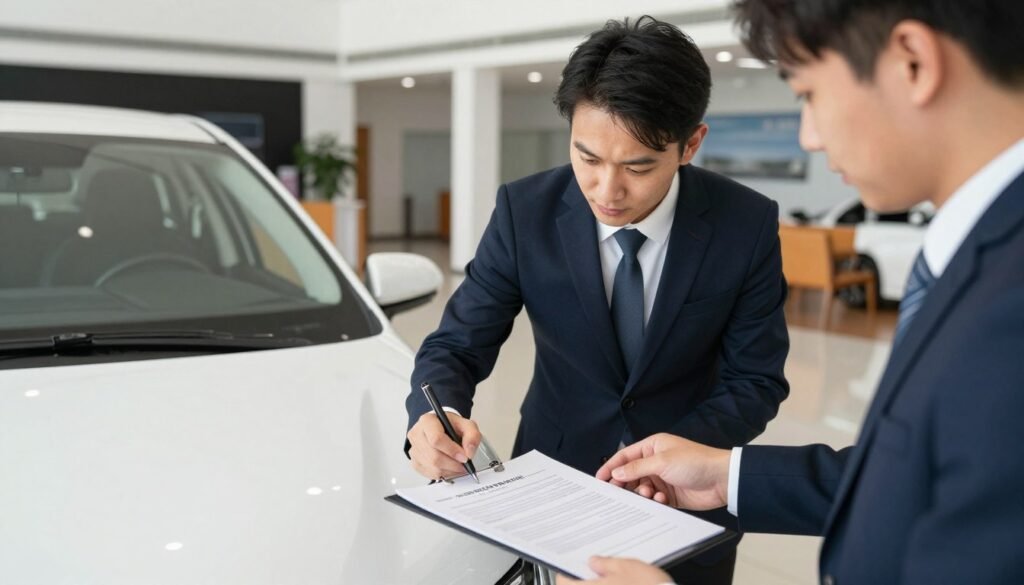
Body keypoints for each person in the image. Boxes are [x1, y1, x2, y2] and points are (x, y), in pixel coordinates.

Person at [565, 0, 1024, 583]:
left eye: (808, 92)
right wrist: (729, 476)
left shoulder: (1010, 299)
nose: (807, 136)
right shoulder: (982, 245)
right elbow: (931, 478)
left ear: (912, 62)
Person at [403, 16, 790, 584]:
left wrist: (670, 454)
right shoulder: (524, 211)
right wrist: (430, 417)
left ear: (691, 145)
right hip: (553, 491)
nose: (607, 191)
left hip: (685, 500)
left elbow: (755, 380)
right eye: (588, 158)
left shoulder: (745, 223)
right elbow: (458, 344)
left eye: (637, 167)